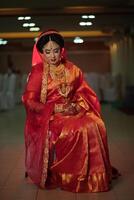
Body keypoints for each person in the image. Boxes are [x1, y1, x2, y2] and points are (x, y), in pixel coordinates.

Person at [22, 29, 119, 193]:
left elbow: (84, 92)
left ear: (62, 50)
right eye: (47, 52)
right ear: (41, 53)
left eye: (55, 51)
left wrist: (78, 106)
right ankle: (71, 176)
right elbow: (29, 101)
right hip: (51, 115)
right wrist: (55, 108)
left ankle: (95, 176)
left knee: (96, 124)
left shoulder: (72, 69)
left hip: (74, 110)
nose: (52, 56)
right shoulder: (38, 72)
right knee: (77, 129)